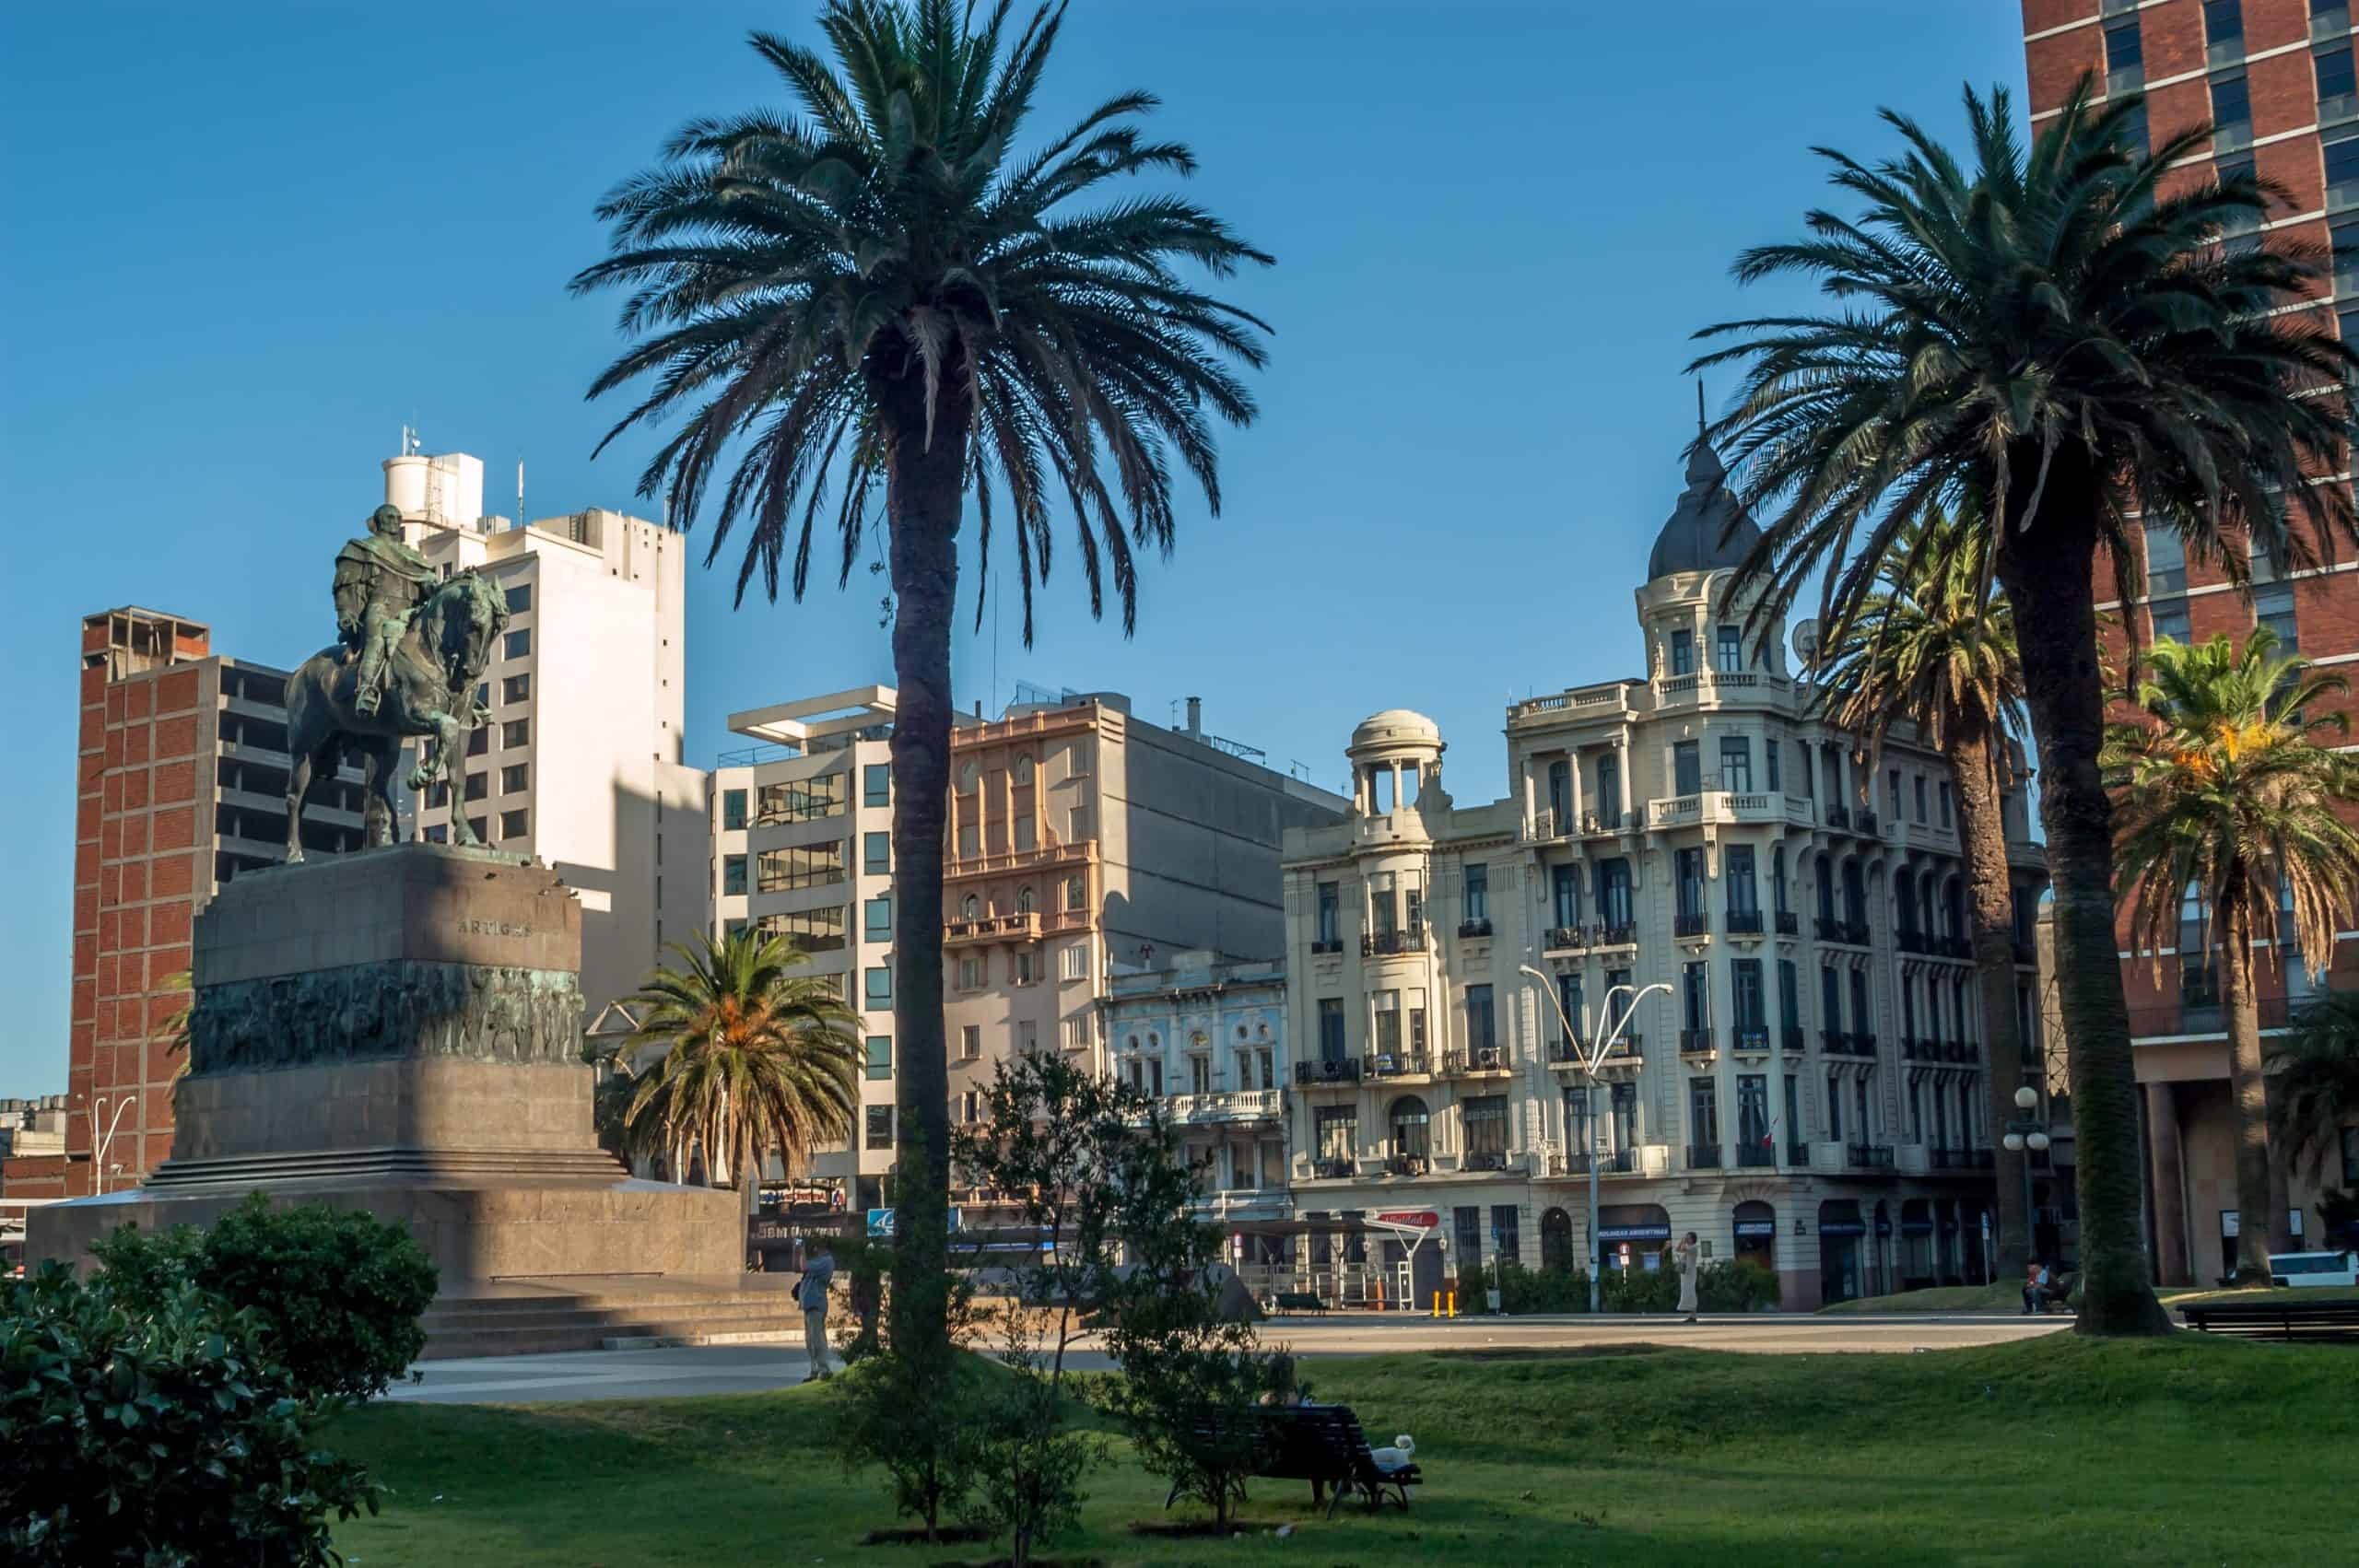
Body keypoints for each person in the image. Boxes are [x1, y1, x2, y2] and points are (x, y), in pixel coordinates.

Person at [798, 1238, 837, 1381]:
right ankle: (815, 1369)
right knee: (810, 1340)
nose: (814, 1249)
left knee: (817, 1339)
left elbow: (803, 1266)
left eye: (816, 1246)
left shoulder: (825, 1261)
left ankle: (824, 1370)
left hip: (816, 1304)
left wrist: (802, 1250)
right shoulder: (819, 1261)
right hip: (809, 1305)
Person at [1667, 1232, 1700, 1322]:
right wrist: (1682, 1240)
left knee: (1691, 1292)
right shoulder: (1689, 1247)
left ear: (1693, 1239)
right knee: (1687, 1293)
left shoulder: (1693, 1247)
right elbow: (1678, 1249)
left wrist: (1683, 1240)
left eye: (1689, 1238)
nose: (1687, 1239)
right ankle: (1692, 1316)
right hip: (1686, 1273)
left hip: (1691, 1273)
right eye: (1687, 1238)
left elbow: (1682, 1248)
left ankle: (1693, 1315)